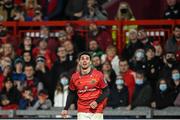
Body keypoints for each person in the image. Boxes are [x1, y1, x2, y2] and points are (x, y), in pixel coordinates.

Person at [61, 52, 109, 120]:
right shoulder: (74, 77)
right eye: (82, 59)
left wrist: (97, 101)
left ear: (90, 62)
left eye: (87, 59)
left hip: (96, 110)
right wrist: (66, 108)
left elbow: (106, 91)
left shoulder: (98, 75)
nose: (84, 60)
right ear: (79, 62)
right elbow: (71, 93)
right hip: (82, 111)